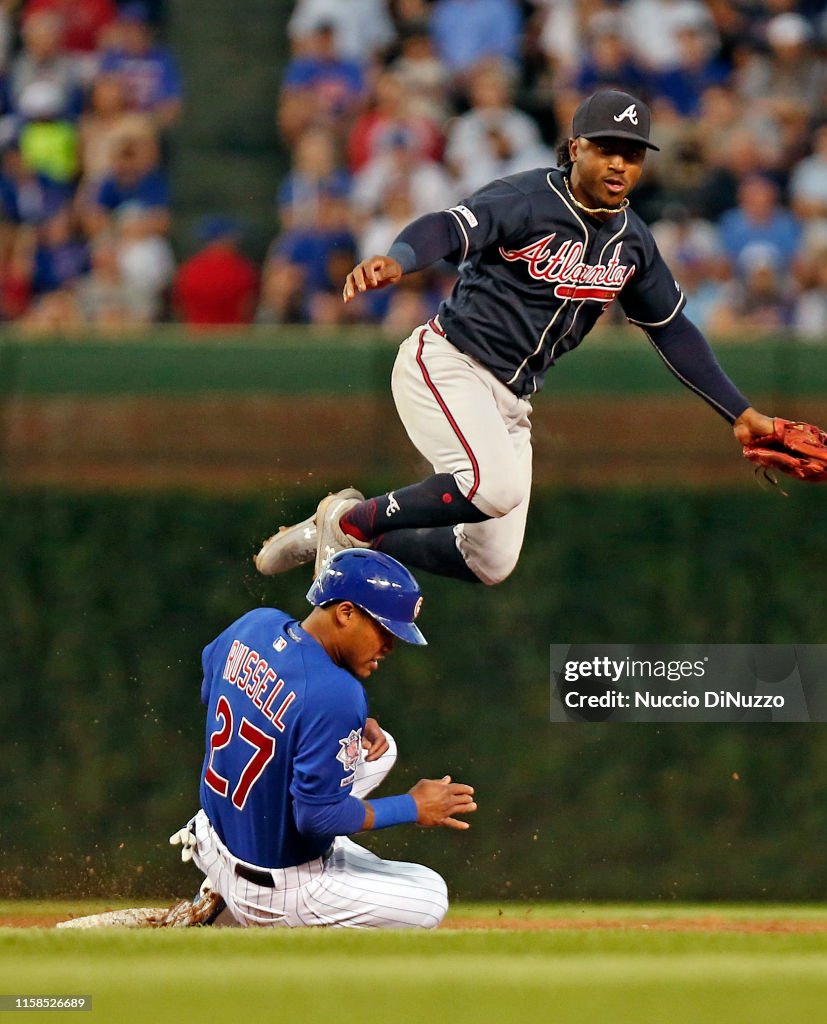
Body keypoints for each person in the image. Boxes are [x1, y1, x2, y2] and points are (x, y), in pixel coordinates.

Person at [255, 89, 776, 587]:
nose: (620, 164)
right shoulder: (527, 198)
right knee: (492, 487)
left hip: (511, 397)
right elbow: (447, 226)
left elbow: (673, 330)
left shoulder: (633, 241)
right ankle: (350, 525)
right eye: (606, 149)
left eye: (633, 154)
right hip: (448, 363)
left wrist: (741, 414)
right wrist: (402, 258)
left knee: (489, 562)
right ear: (576, 148)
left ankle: (341, 528)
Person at [169, 548, 476, 929]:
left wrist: (304, 719)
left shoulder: (256, 624)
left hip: (213, 835)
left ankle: (219, 889)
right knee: (429, 897)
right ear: (345, 612)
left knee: (381, 751)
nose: (390, 646)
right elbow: (317, 816)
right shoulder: (336, 694)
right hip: (274, 891)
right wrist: (412, 806)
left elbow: (209, 682)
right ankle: (235, 915)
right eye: (384, 630)